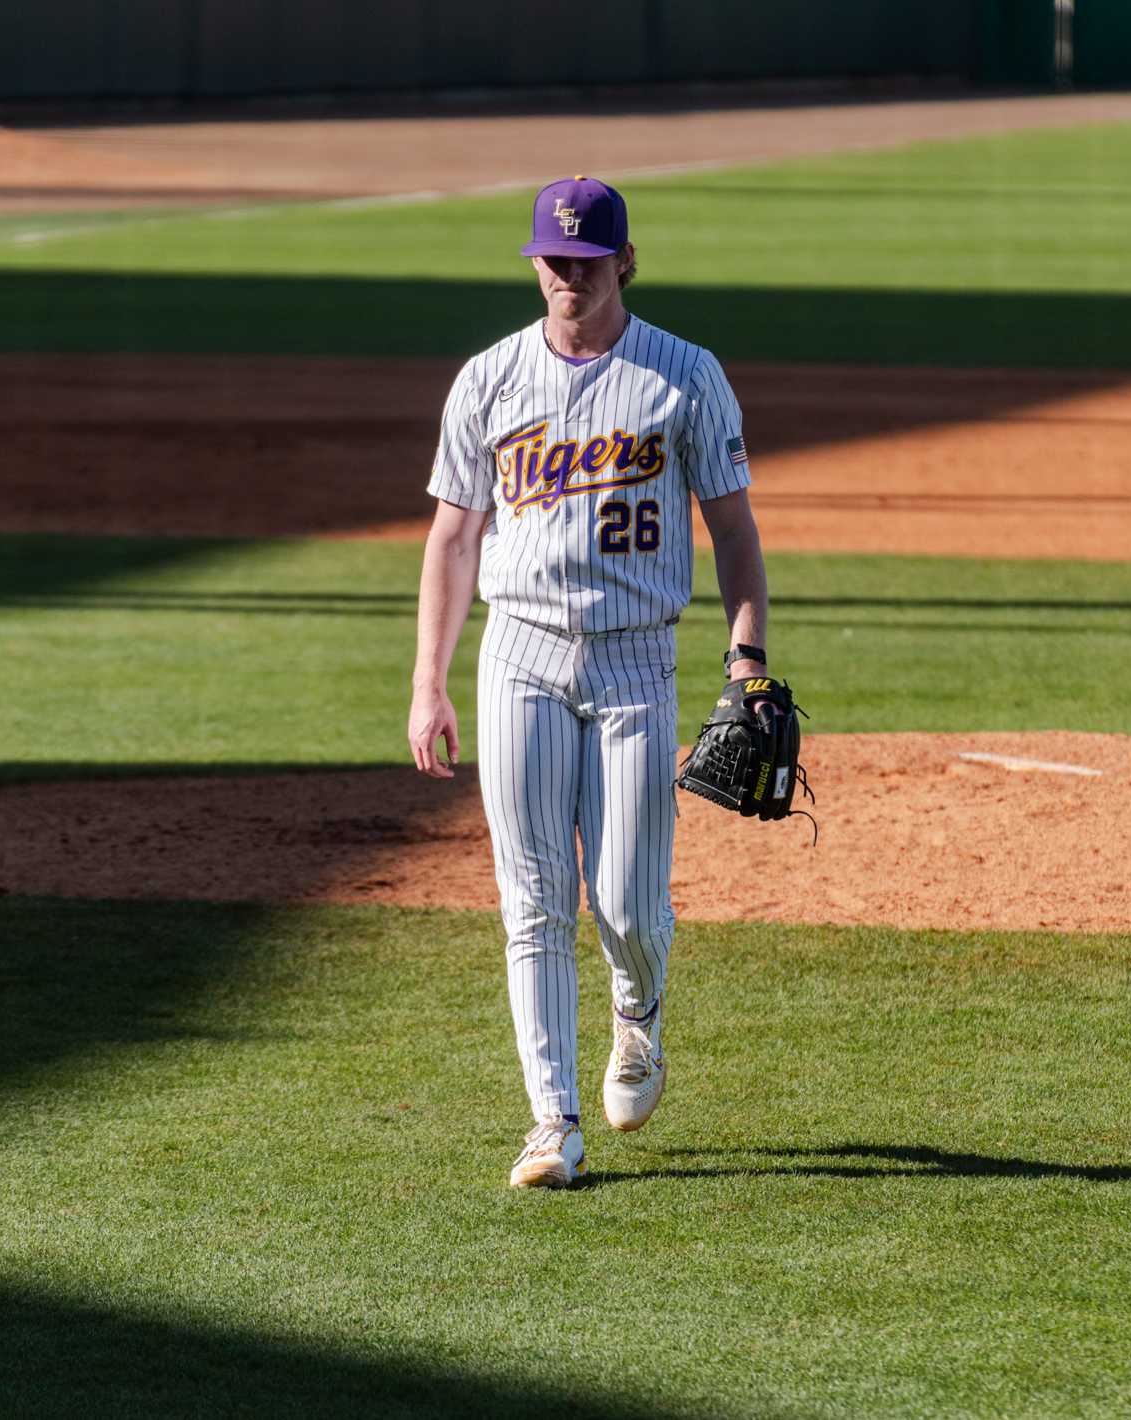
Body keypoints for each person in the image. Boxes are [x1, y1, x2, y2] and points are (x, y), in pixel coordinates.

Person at [408, 176, 773, 1189]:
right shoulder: (489, 380)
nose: (568, 280)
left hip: (632, 661)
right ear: (535, 264)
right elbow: (452, 534)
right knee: (531, 897)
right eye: (553, 262)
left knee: (622, 899)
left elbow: (734, 531)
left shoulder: (683, 377)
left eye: (586, 263)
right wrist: (427, 681)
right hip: (517, 651)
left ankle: (638, 1012)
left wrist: (746, 660)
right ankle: (550, 1122)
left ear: (623, 263)